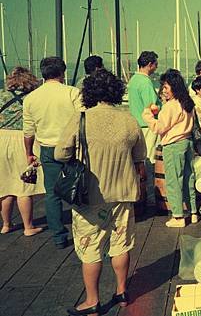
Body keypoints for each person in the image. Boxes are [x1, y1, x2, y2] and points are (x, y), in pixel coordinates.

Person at [55, 69, 146, 316]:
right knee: (121, 245)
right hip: (124, 192)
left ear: (90, 92)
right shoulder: (128, 119)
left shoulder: (80, 118)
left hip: (90, 196)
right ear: (115, 91)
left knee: (91, 248)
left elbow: (60, 154)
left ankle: (92, 301)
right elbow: (140, 156)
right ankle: (122, 291)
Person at [23, 57, 85, 248]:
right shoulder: (72, 93)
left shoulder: (31, 98)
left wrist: (29, 153)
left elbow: (28, 131)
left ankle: (59, 237)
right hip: (72, 147)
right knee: (78, 188)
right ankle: (84, 233)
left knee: (52, 194)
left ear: (43, 73)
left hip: (47, 149)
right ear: (62, 72)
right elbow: (82, 119)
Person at [142, 69, 197, 228]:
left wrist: (148, 116)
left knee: (173, 181)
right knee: (188, 178)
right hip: (187, 142)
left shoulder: (171, 106)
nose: (163, 91)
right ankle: (192, 212)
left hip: (173, 145)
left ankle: (178, 216)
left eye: (166, 87)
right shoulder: (187, 102)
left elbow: (159, 128)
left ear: (174, 87)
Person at [0, 67, 45, 235]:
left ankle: (6, 224)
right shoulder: (31, 98)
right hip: (22, 140)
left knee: (4, 186)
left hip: (1, 139)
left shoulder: (1, 95)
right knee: (23, 186)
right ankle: (28, 227)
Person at [127, 51, 161, 191]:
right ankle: (150, 194)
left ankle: (140, 192)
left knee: (138, 160)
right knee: (149, 160)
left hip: (136, 123)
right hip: (148, 125)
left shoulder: (133, 80)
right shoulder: (146, 82)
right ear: (149, 64)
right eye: (155, 65)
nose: (156, 67)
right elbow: (152, 107)